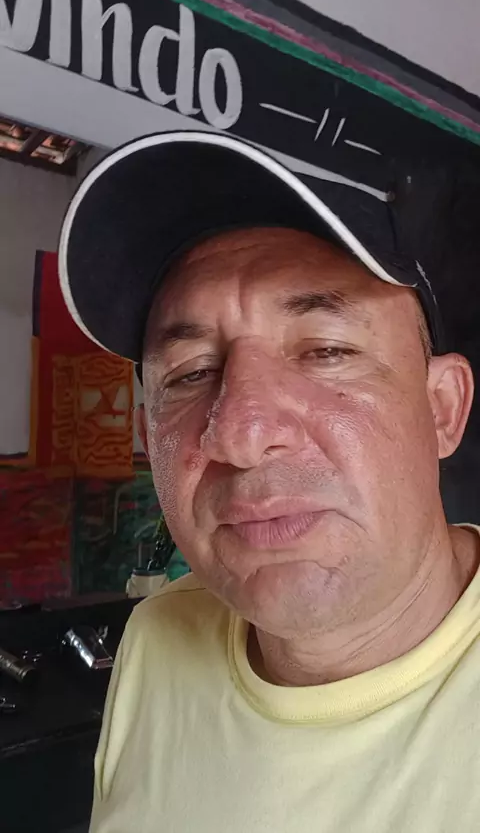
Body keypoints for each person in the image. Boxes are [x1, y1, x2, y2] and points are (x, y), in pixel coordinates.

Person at [59, 132, 479, 833]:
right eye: (192, 374)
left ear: (441, 409)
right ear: (149, 438)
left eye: (326, 351)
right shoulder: (157, 641)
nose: (241, 435)